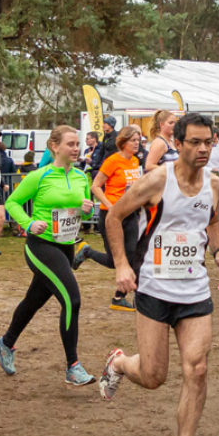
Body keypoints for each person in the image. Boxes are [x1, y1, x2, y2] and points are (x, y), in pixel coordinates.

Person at [100, 113, 219, 436]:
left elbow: (211, 221)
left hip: (194, 289)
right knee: (154, 376)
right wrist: (122, 265)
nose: (204, 148)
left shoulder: (215, 185)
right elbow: (114, 215)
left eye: (209, 141)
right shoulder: (158, 180)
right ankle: (121, 364)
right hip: (155, 287)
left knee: (198, 368)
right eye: (195, 142)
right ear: (178, 144)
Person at [0, 126, 98, 386]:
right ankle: (73, 366)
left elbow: (80, 213)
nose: (75, 148)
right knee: (72, 300)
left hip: (66, 245)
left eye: (77, 144)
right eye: (70, 144)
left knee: (34, 299)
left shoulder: (82, 177)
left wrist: (85, 209)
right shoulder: (40, 175)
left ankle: (5, 343)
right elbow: (12, 202)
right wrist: (28, 224)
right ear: (54, 147)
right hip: (40, 246)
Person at [76, 125, 145, 311]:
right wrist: (111, 205)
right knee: (116, 260)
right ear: (123, 142)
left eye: (139, 140)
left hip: (130, 215)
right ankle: (87, 252)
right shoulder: (112, 161)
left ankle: (119, 297)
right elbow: (96, 186)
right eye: (133, 140)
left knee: (132, 257)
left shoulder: (135, 162)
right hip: (111, 216)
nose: (137, 144)